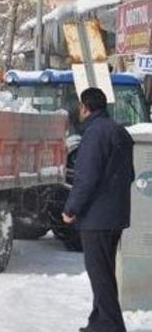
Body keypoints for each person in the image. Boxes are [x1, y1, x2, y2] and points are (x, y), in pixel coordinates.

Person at [63, 87, 135, 332]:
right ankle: (99, 321)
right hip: (115, 216)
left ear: (85, 107)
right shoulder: (119, 131)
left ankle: (110, 326)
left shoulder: (94, 134)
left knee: (100, 274)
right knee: (104, 271)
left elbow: (86, 178)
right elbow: (130, 174)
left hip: (97, 217)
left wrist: (71, 208)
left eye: (79, 106)